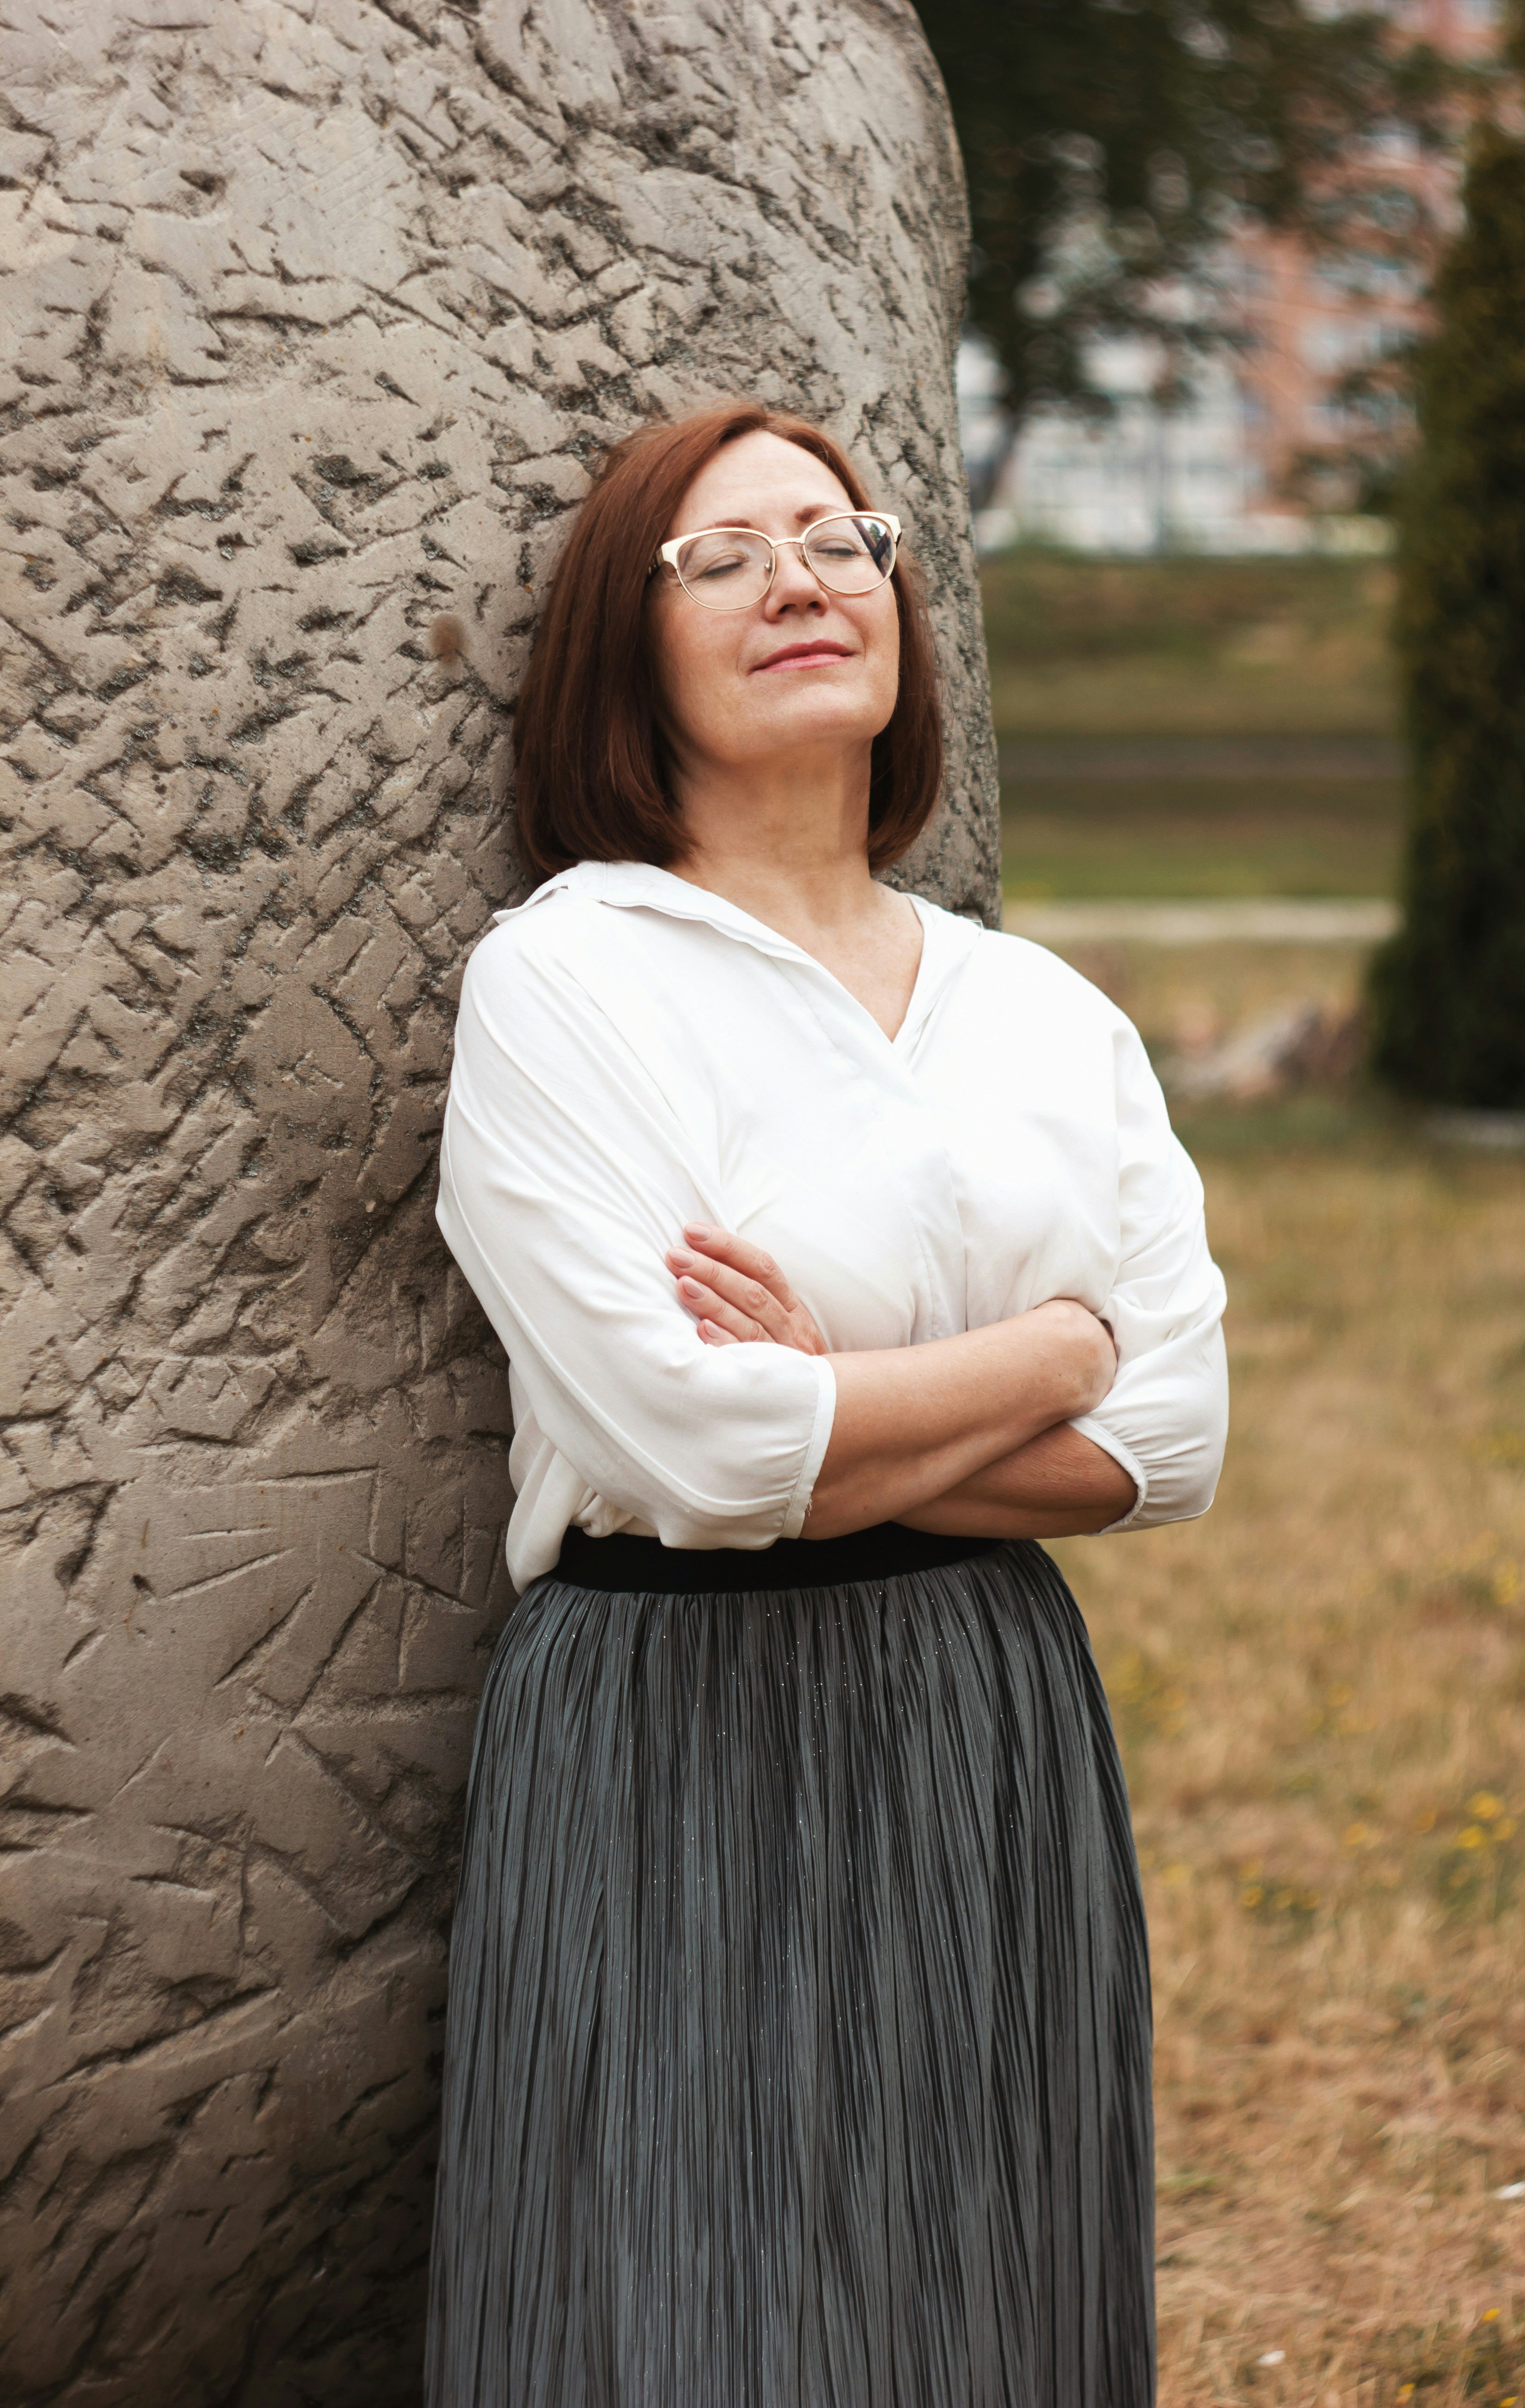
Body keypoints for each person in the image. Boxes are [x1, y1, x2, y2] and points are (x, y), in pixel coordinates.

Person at [424, 399, 1228, 2408]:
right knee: (687, 2318)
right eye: (727, 556)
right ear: (633, 647)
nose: (801, 577)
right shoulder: (570, 983)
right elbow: (687, 1445)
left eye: (841, 537)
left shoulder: (1043, 1012)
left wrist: (845, 1403)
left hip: (989, 1721)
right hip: (672, 1732)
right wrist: (1049, 1352)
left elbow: (1178, 1442)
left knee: (991, 2307)